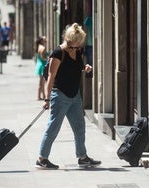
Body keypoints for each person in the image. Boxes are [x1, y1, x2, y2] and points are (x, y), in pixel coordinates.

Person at [35, 23, 101, 170]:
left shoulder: (77, 51)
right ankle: (42, 159)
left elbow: (76, 68)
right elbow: (51, 77)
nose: (77, 49)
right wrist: (47, 99)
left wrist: (86, 68)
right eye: (74, 46)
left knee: (79, 127)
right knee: (53, 128)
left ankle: (82, 157)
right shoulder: (58, 53)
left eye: (78, 46)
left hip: (75, 96)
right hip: (60, 96)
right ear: (69, 41)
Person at [34, 36, 48, 100]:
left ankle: (43, 95)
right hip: (42, 65)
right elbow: (43, 57)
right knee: (42, 82)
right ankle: (39, 96)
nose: (46, 41)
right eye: (45, 40)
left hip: (40, 65)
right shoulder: (42, 48)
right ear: (42, 41)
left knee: (42, 82)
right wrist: (48, 58)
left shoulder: (39, 47)